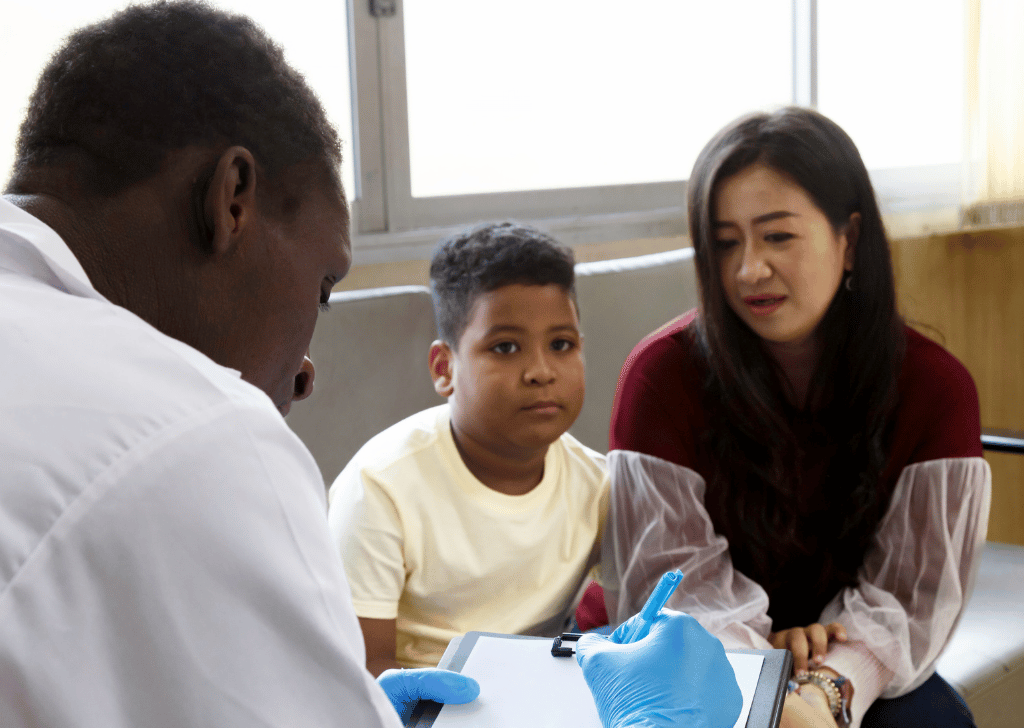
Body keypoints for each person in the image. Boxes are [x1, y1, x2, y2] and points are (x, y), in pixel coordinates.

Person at [0, 3, 741, 727]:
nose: (306, 372)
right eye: (323, 290)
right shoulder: (205, 437)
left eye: (563, 344)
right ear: (232, 201)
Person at [604, 108, 991, 728]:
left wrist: (821, 690)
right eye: (725, 243)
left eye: (778, 237)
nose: (749, 270)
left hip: (844, 649)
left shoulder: (935, 388)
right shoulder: (660, 376)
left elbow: (910, 597)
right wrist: (763, 674)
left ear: (850, 240)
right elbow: (673, 587)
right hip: (699, 653)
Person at [329, 222, 608, 674]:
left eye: (561, 344)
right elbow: (362, 671)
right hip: (418, 703)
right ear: (444, 368)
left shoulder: (598, 485)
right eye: (505, 347)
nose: (541, 371)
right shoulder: (379, 488)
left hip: (541, 693)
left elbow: (638, 618)